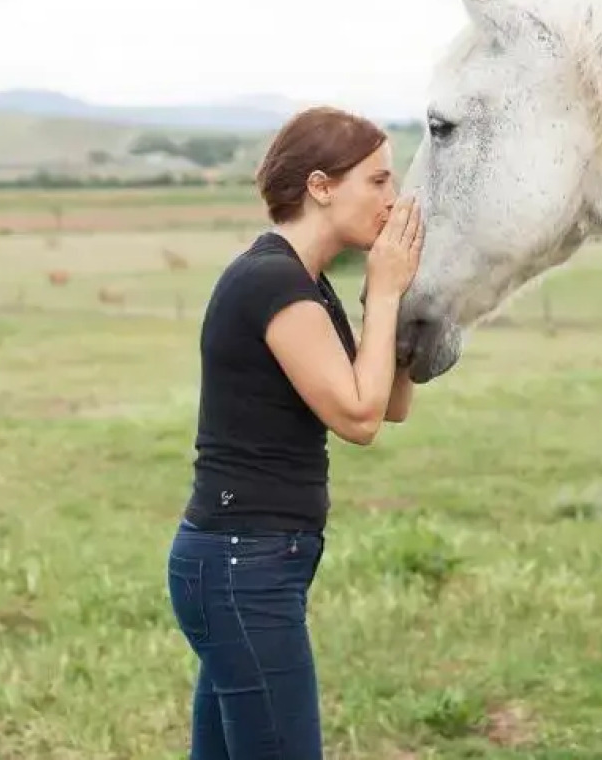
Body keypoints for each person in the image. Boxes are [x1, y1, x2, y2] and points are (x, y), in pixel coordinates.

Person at [165, 105, 424, 760]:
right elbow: (358, 419)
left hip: (246, 563)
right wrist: (386, 294)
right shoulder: (270, 282)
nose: (392, 202)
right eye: (377, 182)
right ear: (320, 186)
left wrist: (396, 301)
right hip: (239, 567)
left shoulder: (304, 285)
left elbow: (390, 403)